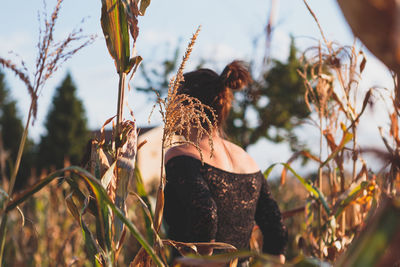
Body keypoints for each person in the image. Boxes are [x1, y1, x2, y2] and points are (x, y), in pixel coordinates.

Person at [163, 61, 288, 265]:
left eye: (174, 99)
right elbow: (276, 228)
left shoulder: (180, 155)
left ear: (187, 104)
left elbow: (206, 213)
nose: (170, 107)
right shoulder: (247, 160)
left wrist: (199, 261)